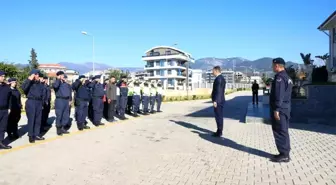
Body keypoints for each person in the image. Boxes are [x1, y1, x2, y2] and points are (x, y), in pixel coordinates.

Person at [270, 58, 293, 163]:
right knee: (284, 131)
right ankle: (285, 152)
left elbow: (279, 95)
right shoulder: (287, 77)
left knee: (279, 131)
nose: (272, 67)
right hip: (286, 108)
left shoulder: (280, 77)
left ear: (277, 66)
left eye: (273, 65)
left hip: (280, 109)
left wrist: (276, 109)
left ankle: (284, 154)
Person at [21, 69, 46, 143]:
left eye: (38, 74)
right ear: (32, 75)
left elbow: (43, 93)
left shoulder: (40, 84)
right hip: (31, 101)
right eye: (36, 74)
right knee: (32, 119)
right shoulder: (28, 82)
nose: (38, 75)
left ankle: (37, 134)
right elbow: (24, 88)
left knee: (38, 120)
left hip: (39, 102)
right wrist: (29, 79)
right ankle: (31, 135)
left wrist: (42, 103)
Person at [52, 71, 71, 136]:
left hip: (66, 101)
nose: (63, 76)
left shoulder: (65, 83)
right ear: (58, 76)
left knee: (65, 115)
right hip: (60, 100)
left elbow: (69, 92)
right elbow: (55, 86)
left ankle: (63, 127)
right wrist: (58, 79)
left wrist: (69, 100)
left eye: (63, 75)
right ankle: (58, 129)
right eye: (62, 75)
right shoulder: (56, 82)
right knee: (59, 115)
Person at [211, 66, 226, 137]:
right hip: (221, 100)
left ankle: (219, 132)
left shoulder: (218, 79)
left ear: (216, 71)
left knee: (218, 116)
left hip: (218, 101)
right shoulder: (222, 78)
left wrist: (215, 101)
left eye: (213, 71)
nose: (212, 72)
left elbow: (218, 91)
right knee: (219, 116)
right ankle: (219, 130)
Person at [0, 71, 12, 149]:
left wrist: (9, 107)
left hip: (4, 110)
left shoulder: (7, 87)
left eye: (4, 76)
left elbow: (10, 98)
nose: (3, 78)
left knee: (3, 127)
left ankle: (1, 142)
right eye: (2, 76)